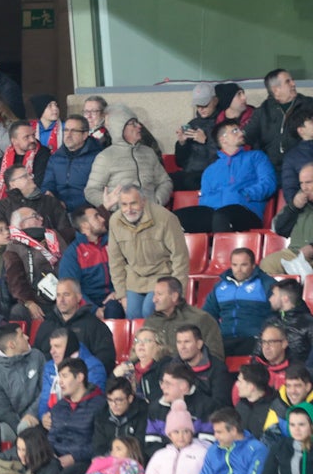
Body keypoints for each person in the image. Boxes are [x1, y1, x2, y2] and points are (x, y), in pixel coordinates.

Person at [107, 185, 190, 319]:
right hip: (134, 279)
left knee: (149, 311)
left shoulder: (166, 218)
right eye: (124, 205)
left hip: (163, 275)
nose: (129, 209)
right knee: (132, 314)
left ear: (143, 201)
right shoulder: (115, 221)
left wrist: (177, 293)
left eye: (133, 203)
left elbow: (180, 257)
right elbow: (115, 261)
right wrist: (122, 294)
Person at [181, 120, 276, 233]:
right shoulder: (210, 170)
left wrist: (244, 194)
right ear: (223, 139)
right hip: (216, 212)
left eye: (240, 129)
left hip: (246, 210)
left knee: (221, 217)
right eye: (235, 131)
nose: (241, 133)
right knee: (176, 219)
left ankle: (222, 250)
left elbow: (269, 183)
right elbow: (205, 199)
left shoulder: (256, 157)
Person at [203, 247, 275, 357]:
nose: (238, 269)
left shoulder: (266, 284)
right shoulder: (220, 286)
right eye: (235, 265)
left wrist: (265, 334)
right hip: (225, 339)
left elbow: (278, 314)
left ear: (253, 265)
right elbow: (208, 315)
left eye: (244, 265)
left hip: (254, 339)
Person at [196, 408, 268, 474]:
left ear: (233, 430)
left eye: (219, 432)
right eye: (215, 432)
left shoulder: (256, 449)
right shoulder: (213, 450)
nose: (215, 436)